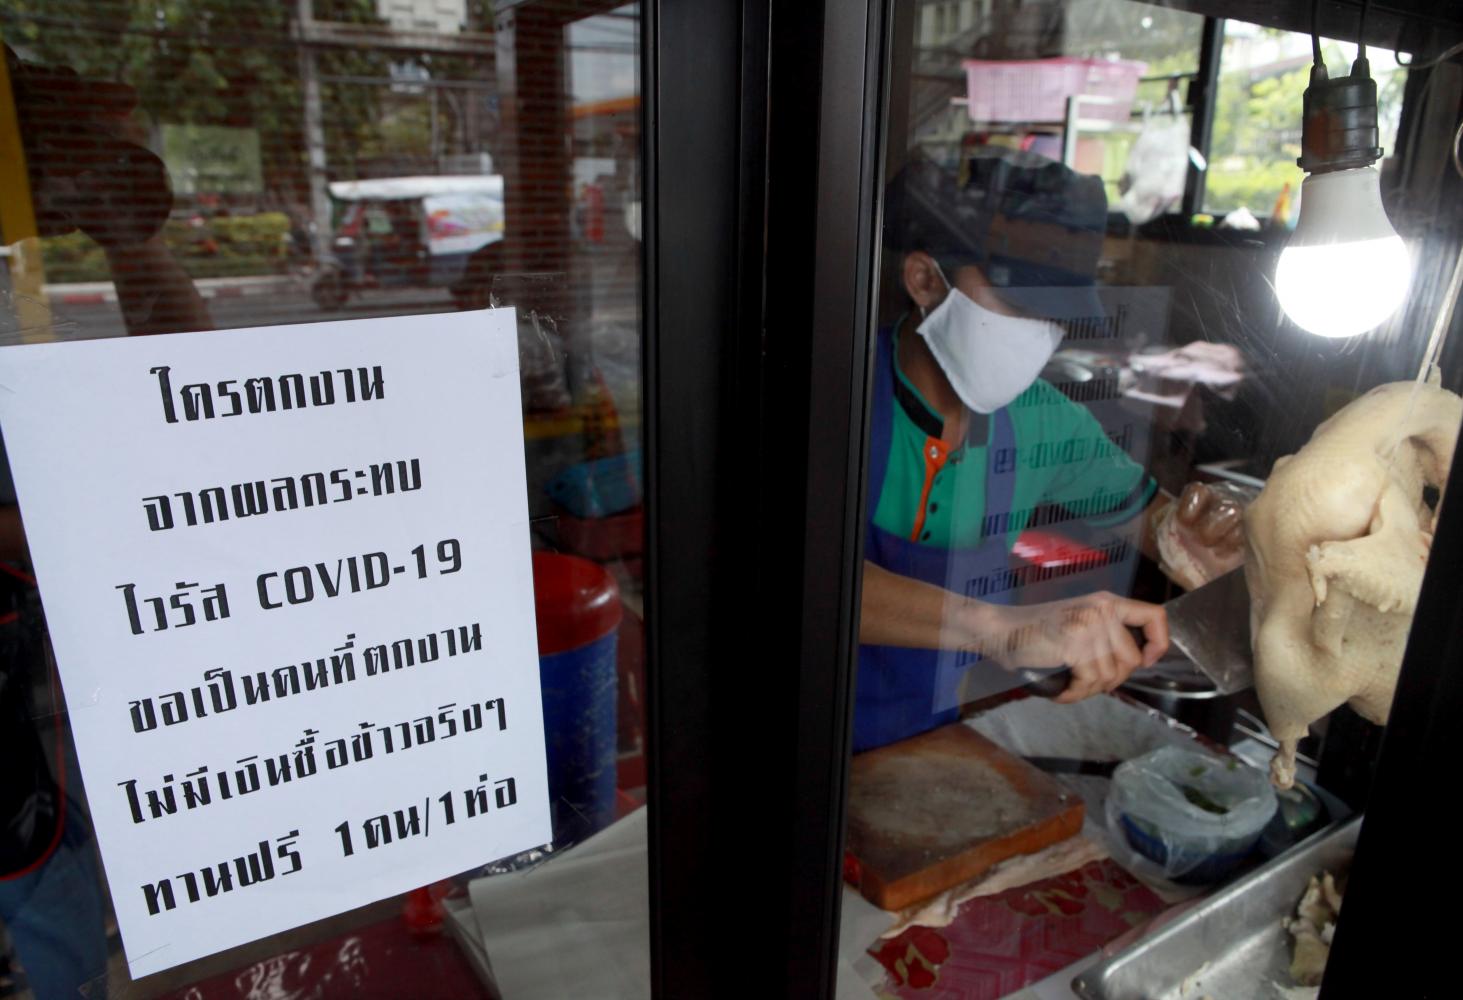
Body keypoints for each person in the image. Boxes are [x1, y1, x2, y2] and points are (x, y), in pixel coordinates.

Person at [855, 148, 1244, 752]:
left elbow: (1160, 524)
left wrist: (1194, 537)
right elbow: (797, 576)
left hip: (925, 741)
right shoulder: (836, 398)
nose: (1035, 334)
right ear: (925, 279)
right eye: (1016, 304)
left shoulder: (1044, 424)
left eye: (1052, 316)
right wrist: (1001, 630)